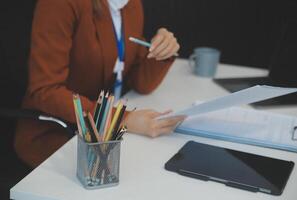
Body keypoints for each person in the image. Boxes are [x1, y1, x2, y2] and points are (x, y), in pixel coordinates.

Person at [14, 0, 184, 168]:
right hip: (59, 132)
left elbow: (141, 83)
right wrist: (122, 119)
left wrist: (163, 51)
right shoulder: (60, 4)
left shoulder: (130, 4)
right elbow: (45, 91)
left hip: (108, 128)